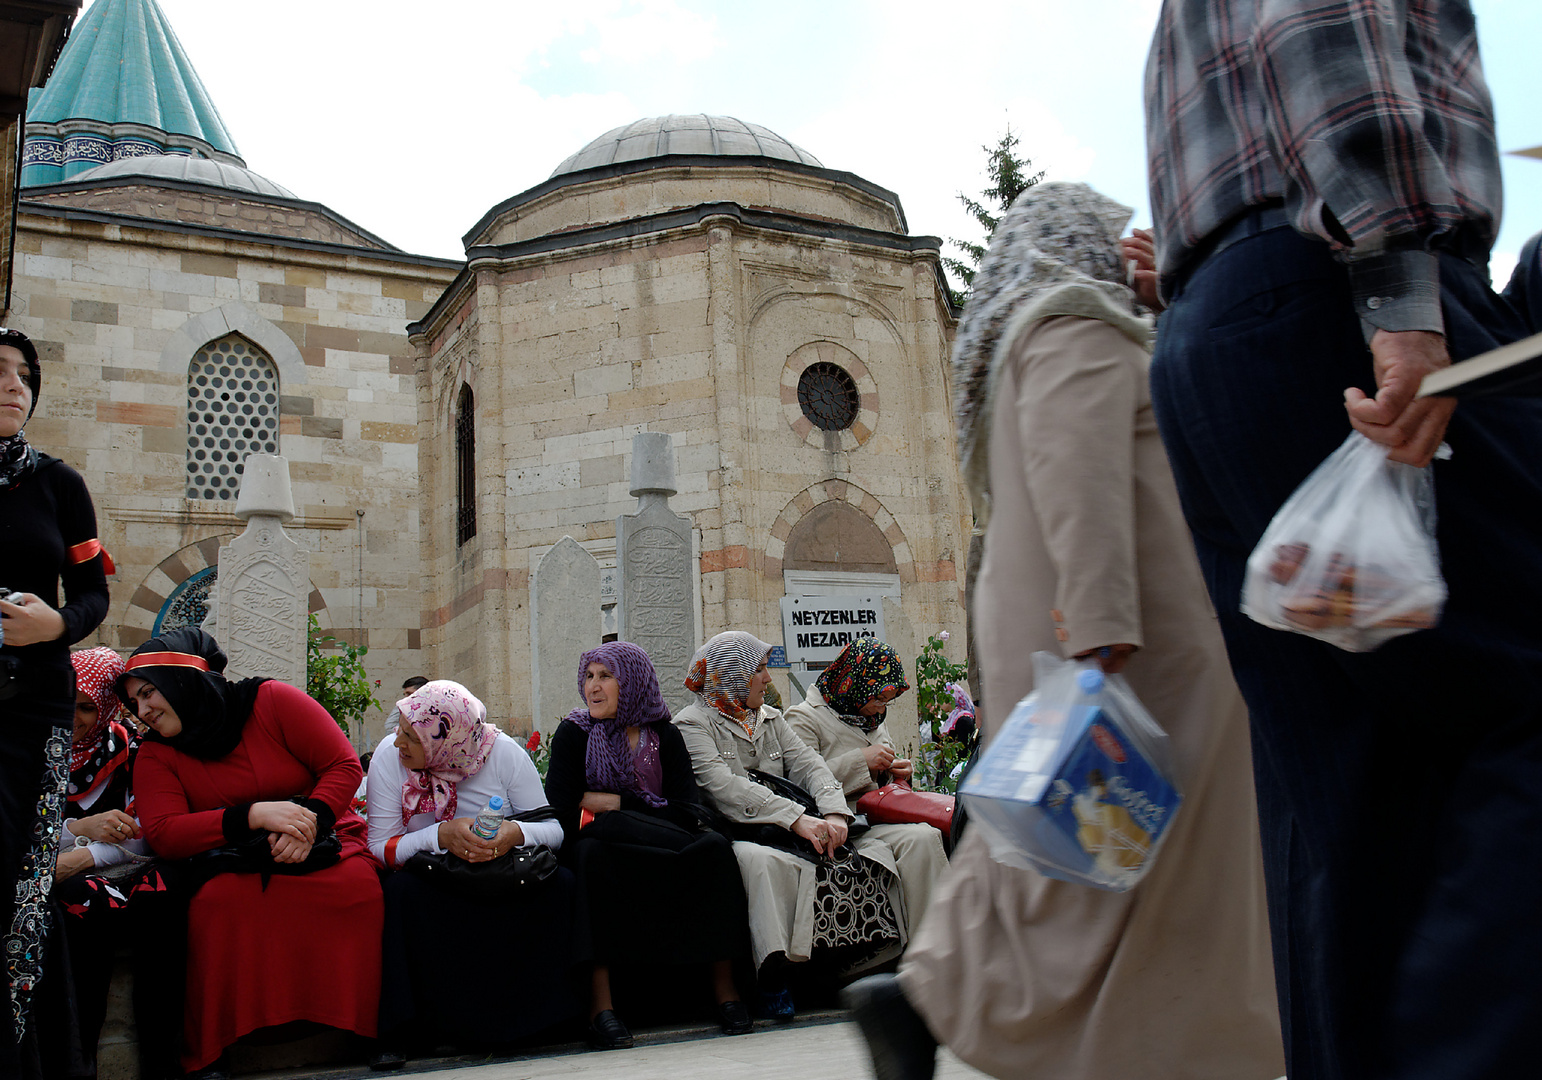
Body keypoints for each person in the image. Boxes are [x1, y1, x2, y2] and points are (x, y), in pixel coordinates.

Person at [1143, 4, 1542, 1078]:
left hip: (1224, 327)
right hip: (1341, 299)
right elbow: (1323, 28)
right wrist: (1402, 294)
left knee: (1350, 800)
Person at [845, 182, 1283, 1080]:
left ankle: (929, 997)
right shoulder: (1071, 324)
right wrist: (1099, 630)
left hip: (1102, 633)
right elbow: (1080, 478)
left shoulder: (1053, 331)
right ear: (1075, 243)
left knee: (1074, 858)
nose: (1131, 250)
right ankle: (964, 1007)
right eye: (1115, 236)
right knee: (1119, 866)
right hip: (1130, 638)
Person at [122, 628, 384, 1078]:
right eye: (134, 703)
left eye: (149, 693)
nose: (142, 711)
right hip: (230, 857)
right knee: (220, 904)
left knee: (357, 891)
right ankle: (213, 1049)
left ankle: (369, 1029)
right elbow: (164, 832)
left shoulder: (271, 701)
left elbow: (340, 764)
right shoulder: (156, 753)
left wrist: (309, 825)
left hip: (319, 838)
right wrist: (252, 815)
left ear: (183, 679)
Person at [673, 632, 904, 1021]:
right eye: (759, 670)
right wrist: (796, 819)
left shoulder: (771, 719)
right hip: (736, 833)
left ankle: (850, 960)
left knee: (866, 853)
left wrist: (832, 813)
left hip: (785, 829)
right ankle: (773, 975)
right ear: (732, 675)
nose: (768, 679)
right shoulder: (691, 725)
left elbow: (810, 765)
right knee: (762, 864)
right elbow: (724, 787)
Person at [544, 642, 752, 1049]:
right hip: (608, 850)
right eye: (589, 676)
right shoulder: (574, 734)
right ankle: (601, 1008)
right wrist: (630, 815)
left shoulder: (664, 735)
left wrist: (618, 804)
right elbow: (564, 812)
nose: (594, 687)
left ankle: (726, 992)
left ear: (633, 682)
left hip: (664, 844)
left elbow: (686, 809)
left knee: (714, 850)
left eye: (606, 676)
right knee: (589, 856)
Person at [0, 326, 111, 1075]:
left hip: (34, 710)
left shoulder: (59, 485)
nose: (13, 384)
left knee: (24, 883)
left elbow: (94, 593)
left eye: (23, 374)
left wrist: (57, 625)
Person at [366, 679, 576, 1066]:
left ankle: (536, 1022)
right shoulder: (387, 758)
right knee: (400, 892)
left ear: (445, 738)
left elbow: (553, 830)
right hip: (432, 872)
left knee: (560, 885)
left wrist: (513, 834)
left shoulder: (503, 753)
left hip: (498, 869)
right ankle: (411, 1030)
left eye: (411, 737)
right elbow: (380, 847)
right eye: (401, 729)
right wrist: (441, 835)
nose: (398, 743)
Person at [36, 647, 186, 1079]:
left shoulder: (135, 751)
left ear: (105, 707)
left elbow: (149, 833)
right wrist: (81, 827)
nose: (74, 717)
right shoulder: (35, 756)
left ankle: (164, 1062)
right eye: (65, 701)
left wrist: (83, 854)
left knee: (167, 896)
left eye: (86, 706)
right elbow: (21, 834)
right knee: (81, 904)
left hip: (127, 871)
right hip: (71, 885)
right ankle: (77, 1063)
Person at [783, 639, 947, 938]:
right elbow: (801, 782)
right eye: (878, 697)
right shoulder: (803, 718)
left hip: (881, 813)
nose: (880, 707)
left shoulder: (871, 716)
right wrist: (861, 761)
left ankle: (938, 942)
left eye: (888, 699)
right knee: (922, 839)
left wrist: (898, 771)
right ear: (854, 683)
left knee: (936, 831)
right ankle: (934, 944)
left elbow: (883, 770)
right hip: (846, 821)